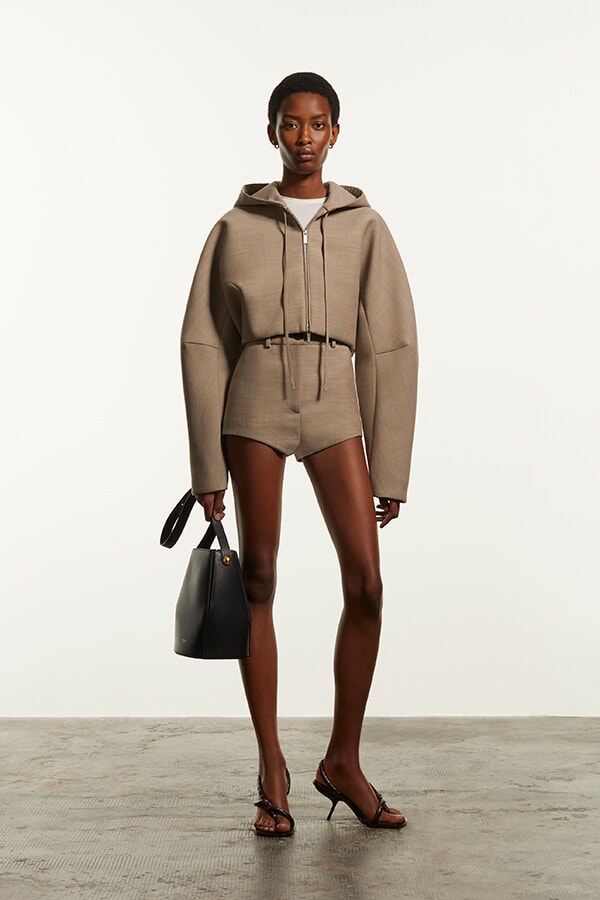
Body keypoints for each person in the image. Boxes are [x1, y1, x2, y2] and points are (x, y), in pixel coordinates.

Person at [179, 72, 418, 836]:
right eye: (291, 123)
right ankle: (272, 766)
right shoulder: (234, 226)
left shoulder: (365, 226)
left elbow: (390, 343)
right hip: (254, 397)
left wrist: (391, 464)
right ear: (272, 131)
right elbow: (203, 341)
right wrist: (206, 467)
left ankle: (342, 761)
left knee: (367, 583)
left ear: (335, 133)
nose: (304, 136)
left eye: (317, 124)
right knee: (257, 576)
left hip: (333, 399)